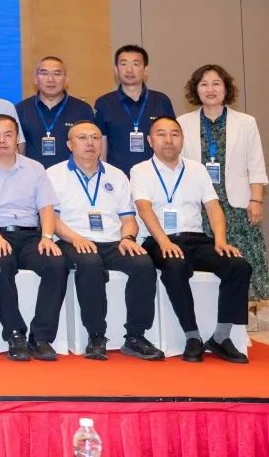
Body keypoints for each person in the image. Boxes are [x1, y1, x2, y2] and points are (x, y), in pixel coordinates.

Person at [132, 116, 251, 363]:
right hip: (159, 240)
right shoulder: (140, 170)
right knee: (175, 266)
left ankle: (221, 337)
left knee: (239, 265)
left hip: (196, 239)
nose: (168, 139)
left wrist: (220, 240)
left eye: (174, 134)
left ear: (182, 139)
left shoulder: (197, 169)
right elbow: (144, 208)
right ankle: (192, 336)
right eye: (161, 134)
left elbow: (213, 206)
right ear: (150, 140)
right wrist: (164, 242)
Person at [49, 121, 164, 361]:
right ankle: (96, 336)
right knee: (90, 263)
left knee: (143, 264)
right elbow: (52, 219)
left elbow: (128, 218)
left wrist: (128, 237)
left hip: (113, 241)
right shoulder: (53, 175)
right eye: (82, 138)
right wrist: (76, 238)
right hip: (72, 240)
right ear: (69, 144)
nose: (90, 142)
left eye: (94, 137)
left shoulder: (116, 174)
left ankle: (135, 337)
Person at [0, 114, 65, 361]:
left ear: (17, 138)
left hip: (30, 236)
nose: (2, 140)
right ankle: (15, 334)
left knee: (56, 264)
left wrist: (47, 236)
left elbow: (46, 207)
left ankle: (41, 337)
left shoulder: (34, 168)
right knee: (0, 264)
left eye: (8, 135)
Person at [179, 65, 267, 302]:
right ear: (196, 89)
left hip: (237, 203)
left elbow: (256, 164)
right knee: (208, 261)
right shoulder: (183, 123)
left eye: (216, 84)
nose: (210, 89)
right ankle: (211, 308)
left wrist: (256, 199)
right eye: (204, 84)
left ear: (226, 88)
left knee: (244, 258)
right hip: (200, 205)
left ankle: (245, 310)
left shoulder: (246, 122)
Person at [94, 45, 175, 174]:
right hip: (118, 177)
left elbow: (172, 140)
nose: (129, 70)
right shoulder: (103, 103)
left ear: (145, 70)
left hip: (157, 176)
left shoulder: (161, 100)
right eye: (124, 64)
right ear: (116, 69)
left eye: (136, 64)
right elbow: (101, 148)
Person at [16, 56, 95, 166]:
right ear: (35, 79)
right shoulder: (20, 109)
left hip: (72, 174)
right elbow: (19, 149)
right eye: (44, 73)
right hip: (33, 175)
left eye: (57, 74)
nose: (50, 79)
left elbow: (92, 146)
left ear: (66, 80)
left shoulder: (83, 109)